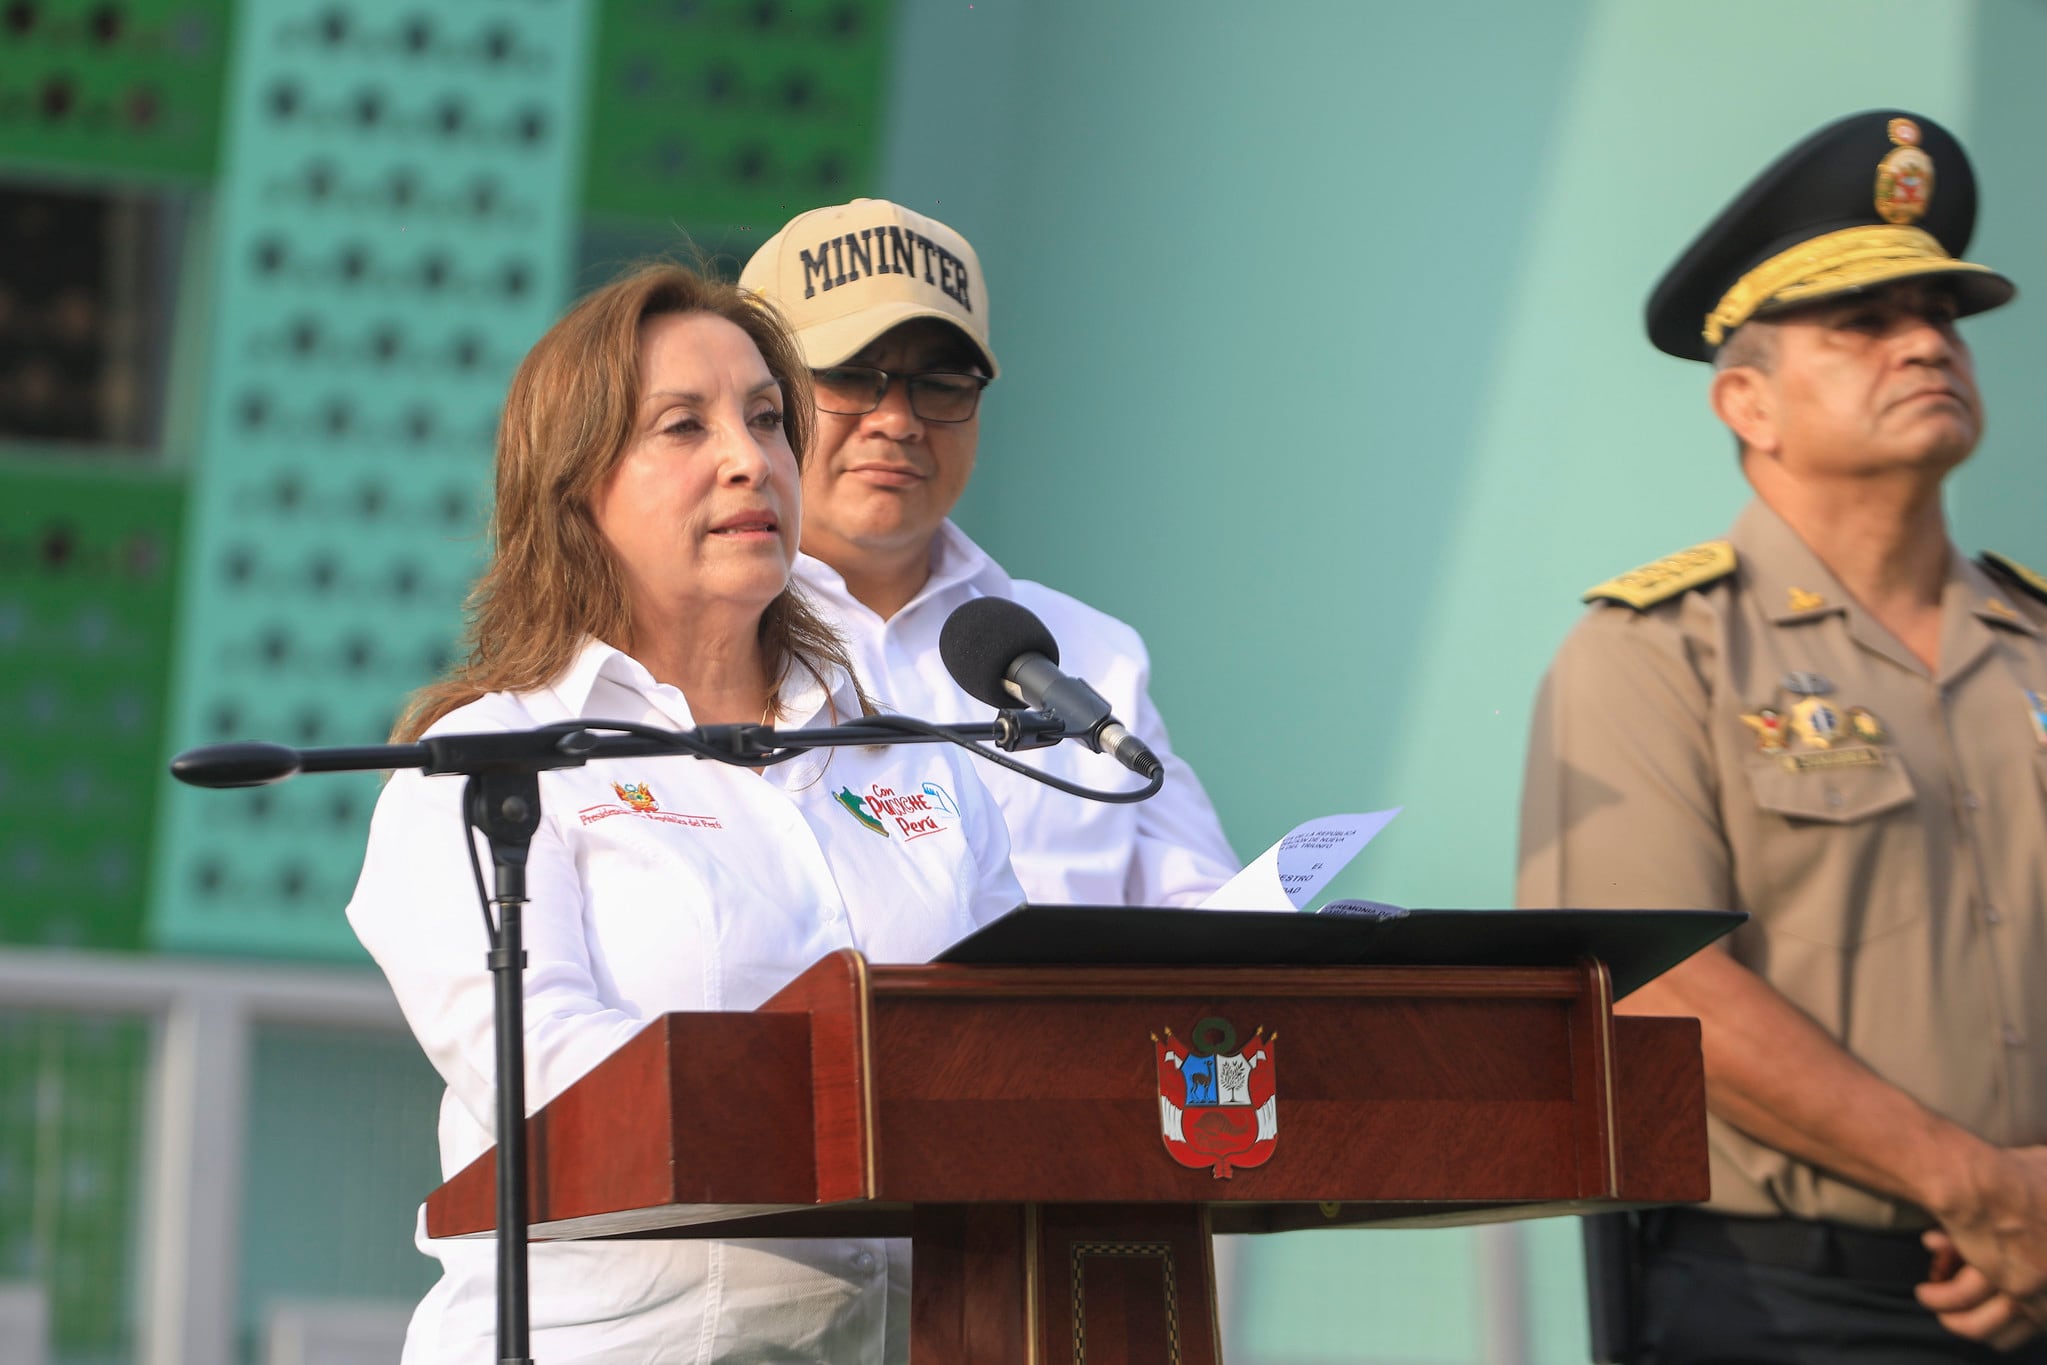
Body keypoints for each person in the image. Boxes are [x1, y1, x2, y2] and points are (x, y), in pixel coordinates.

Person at [347, 263, 1024, 1363]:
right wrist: (870, 1099)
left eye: (767, 418)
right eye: (683, 425)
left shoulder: (918, 761)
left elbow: (1015, 1050)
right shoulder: (484, 768)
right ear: (576, 487)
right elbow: (560, 1077)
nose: (748, 458)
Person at [1517, 109, 2047, 1364]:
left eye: (1938, 316)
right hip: (1789, 1308)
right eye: (1863, 322)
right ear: (1746, 401)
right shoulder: (1659, 651)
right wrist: (1977, 1189)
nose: (1924, 344)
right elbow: (1650, 985)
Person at [738, 199, 1239, 907]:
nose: (897, 420)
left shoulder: (1092, 652)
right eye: (850, 375)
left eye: (940, 385)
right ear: (760, 404)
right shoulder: (695, 642)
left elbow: (1210, 913)